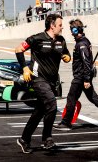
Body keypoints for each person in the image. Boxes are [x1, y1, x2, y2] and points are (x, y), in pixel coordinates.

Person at [15, 14, 71, 153]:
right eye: (60, 25)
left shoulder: (61, 40)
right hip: (38, 79)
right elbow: (18, 49)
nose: (62, 27)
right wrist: (25, 68)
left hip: (52, 81)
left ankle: (24, 139)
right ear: (52, 26)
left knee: (39, 111)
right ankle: (47, 139)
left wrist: (66, 57)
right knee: (51, 104)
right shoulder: (37, 39)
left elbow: (67, 55)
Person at [54, 19, 98, 130]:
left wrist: (86, 79)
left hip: (81, 76)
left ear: (76, 30)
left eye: (72, 30)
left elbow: (86, 62)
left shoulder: (82, 43)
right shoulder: (82, 41)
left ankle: (66, 122)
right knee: (93, 97)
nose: (71, 32)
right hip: (83, 75)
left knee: (71, 98)